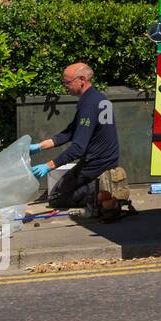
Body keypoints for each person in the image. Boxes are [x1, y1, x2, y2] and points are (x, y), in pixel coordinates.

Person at [30, 63, 123, 216]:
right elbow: (70, 132)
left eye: (67, 82)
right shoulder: (99, 98)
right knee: (62, 192)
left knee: (56, 198)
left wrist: (48, 166)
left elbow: (78, 148)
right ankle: (104, 187)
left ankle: (103, 193)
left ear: (81, 79)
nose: (65, 86)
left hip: (95, 164)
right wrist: (40, 146)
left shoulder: (88, 105)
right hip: (108, 161)